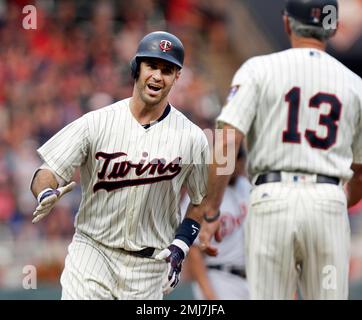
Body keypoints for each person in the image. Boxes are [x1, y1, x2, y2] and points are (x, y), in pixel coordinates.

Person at [198, 0, 362, 300]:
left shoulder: (258, 69)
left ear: (287, 23)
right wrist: (338, 199)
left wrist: (210, 211)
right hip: (328, 201)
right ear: (333, 28)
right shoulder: (355, 84)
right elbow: (361, 172)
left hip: (272, 200)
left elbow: (225, 143)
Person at [30, 31, 209, 300]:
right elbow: (48, 170)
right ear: (137, 67)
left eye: (167, 70)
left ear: (177, 77)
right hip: (92, 254)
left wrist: (182, 244)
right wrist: (45, 191)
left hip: (148, 270)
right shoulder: (97, 122)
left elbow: (201, 200)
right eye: (152, 66)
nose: (158, 76)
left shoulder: (193, 137)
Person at [182, 146, 250, 300]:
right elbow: (194, 251)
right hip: (219, 277)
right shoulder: (203, 193)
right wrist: (209, 295)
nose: (239, 167)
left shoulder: (245, 186)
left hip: (251, 279)